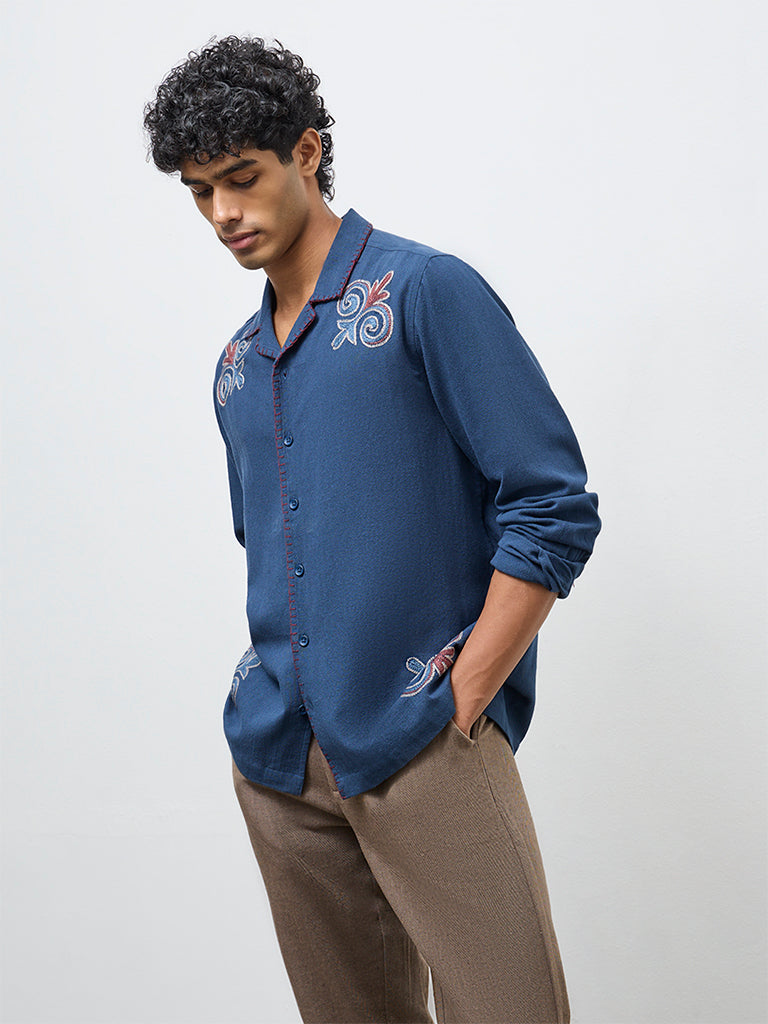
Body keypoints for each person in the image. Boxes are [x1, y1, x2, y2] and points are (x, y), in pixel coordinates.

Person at [144, 35, 600, 1024]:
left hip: (426, 737)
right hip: (281, 763)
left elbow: (550, 502)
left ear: (307, 151)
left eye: (241, 177)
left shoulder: (425, 293)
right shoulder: (237, 367)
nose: (222, 214)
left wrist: (465, 694)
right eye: (198, 191)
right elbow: (273, 548)